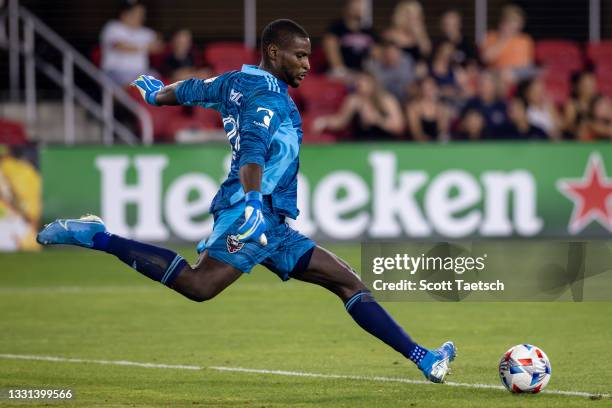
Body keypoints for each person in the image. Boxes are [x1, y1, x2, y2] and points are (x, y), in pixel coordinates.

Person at [37, 19, 455, 383]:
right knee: (200, 285)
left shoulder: (237, 81)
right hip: (252, 211)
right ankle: (99, 237)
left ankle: (424, 358)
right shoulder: (267, 98)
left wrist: (157, 96)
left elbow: (193, 90)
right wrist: (253, 205)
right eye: (300, 55)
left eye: (309, 56)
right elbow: (253, 151)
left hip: (270, 218)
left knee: (346, 281)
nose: (308, 64)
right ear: (274, 53)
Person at [312, 71, 404, 140]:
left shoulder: (386, 100)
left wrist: (377, 119)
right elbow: (340, 121)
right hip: (361, 144)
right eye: (358, 81)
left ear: (372, 84)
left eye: (364, 81)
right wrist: (324, 122)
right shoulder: (353, 100)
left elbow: (398, 126)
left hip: (386, 144)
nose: (359, 84)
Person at [100, 0, 164, 87]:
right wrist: (145, 47)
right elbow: (119, 46)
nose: (139, 17)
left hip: (141, 72)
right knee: (135, 85)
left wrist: (158, 40)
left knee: (160, 82)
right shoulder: (113, 27)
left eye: (142, 14)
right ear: (124, 14)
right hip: (116, 71)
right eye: (136, 13)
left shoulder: (146, 32)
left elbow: (159, 47)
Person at [323, 0, 378, 79]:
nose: (358, 7)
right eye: (354, 4)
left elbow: (376, 53)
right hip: (340, 72)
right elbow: (331, 49)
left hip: (363, 74)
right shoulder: (336, 28)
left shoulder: (369, 31)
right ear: (346, 7)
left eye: (360, 5)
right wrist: (342, 71)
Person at [480, 4, 535, 83]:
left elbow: (526, 64)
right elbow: (485, 58)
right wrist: (503, 39)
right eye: (508, 21)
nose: (511, 25)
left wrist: (513, 72)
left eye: (515, 21)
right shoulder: (491, 36)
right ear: (502, 22)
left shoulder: (525, 40)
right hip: (495, 75)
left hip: (518, 76)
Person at [365, 39, 416, 104]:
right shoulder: (376, 66)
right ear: (384, 55)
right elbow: (376, 85)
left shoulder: (407, 61)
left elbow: (412, 82)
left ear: (399, 53)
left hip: (406, 95)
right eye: (389, 53)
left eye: (394, 53)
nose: (392, 56)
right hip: (386, 98)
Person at [405, 76, 450, 142]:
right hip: (418, 144)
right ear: (420, 90)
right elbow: (416, 132)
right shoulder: (413, 107)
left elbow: (442, 131)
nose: (428, 92)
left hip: (436, 144)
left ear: (435, 89)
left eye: (431, 89)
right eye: (425, 89)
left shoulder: (441, 107)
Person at [563, 71, 598, 138]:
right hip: (578, 140)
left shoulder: (600, 102)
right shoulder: (572, 104)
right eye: (585, 84)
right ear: (577, 86)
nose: (589, 87)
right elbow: (568, 126)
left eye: (591, 83)